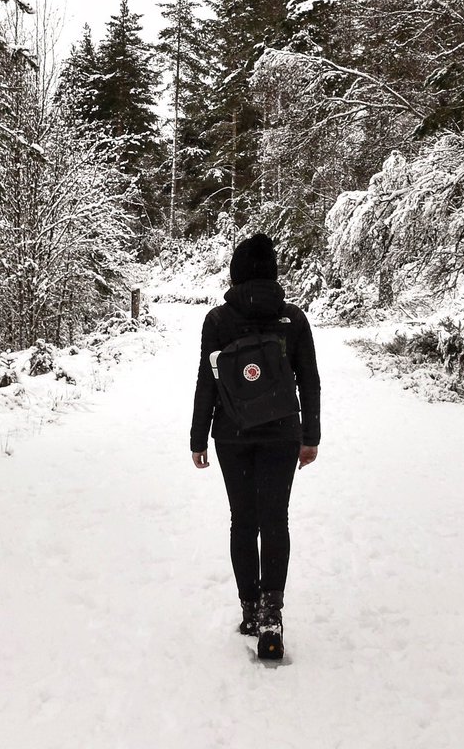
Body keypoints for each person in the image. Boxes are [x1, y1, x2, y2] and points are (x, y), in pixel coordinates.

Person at [190, 232, 320, 661]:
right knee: (275, 519)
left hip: (232, 435)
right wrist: (310, 436)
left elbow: (207, 381)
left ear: (236, 272)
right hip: (282, 433)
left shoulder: (218, 320)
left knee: (243, 521)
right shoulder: (293, 319)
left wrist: (198, 437)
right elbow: (309, 380)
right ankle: (271, 614)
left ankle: (249, 609)